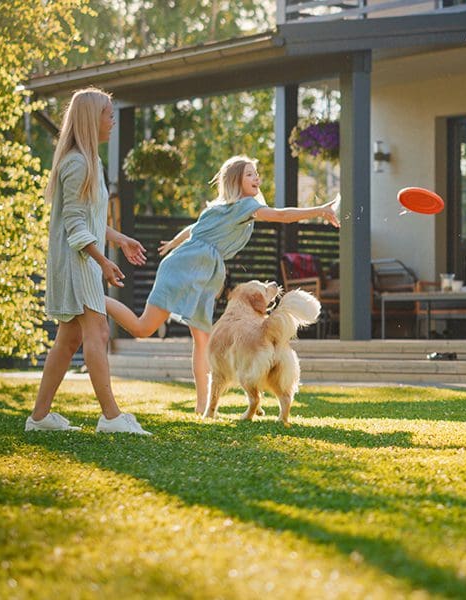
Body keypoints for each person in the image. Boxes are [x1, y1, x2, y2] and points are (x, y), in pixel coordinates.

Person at [105, 155, 340, 415]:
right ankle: (99, 300)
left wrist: (173, 243)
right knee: (143, 328)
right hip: (186, 268)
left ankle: (203, 407)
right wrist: (319, 210)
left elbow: (194, 228)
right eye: (249, 174)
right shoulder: (243, 205)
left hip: (202, 274)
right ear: (235, 180)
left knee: (203, 342)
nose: (256, 178)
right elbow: (281, 215)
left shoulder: (223, 208)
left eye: (256, 173)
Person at [27, 87, 151, 435]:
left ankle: (38, 418)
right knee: (96, 330)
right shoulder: (77, 163)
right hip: (76, 261)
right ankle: (111, 417)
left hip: (84, 259)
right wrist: (103, 261)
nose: (113, 120)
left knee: (69, 339)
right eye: (108, 113)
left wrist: (119, 238)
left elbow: (92, 220)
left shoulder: (92, 161)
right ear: (90, 118)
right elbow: (75, 225)